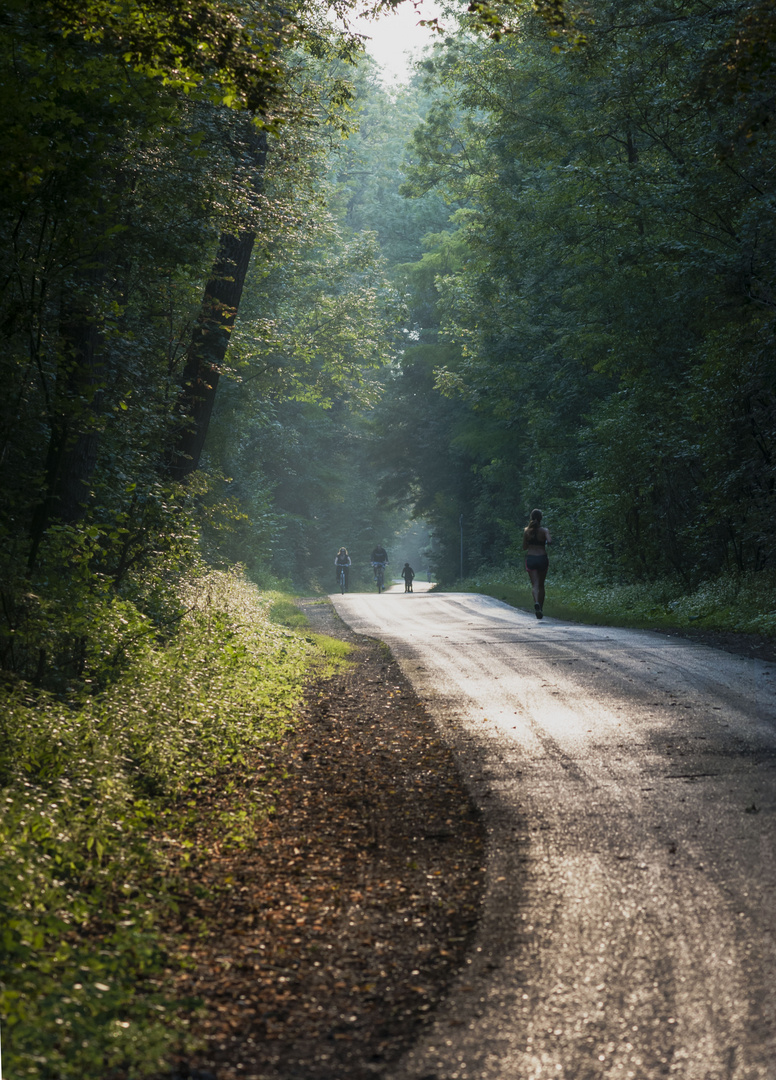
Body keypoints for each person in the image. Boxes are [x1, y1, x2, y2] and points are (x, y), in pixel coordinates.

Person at [523, 508, 551, 619]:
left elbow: (524, 547)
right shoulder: (544, 531)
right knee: (541, 585)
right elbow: (549, 541)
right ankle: (541, 608)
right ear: (541, 518)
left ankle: (536, 603)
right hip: (542, 558)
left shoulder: (527, 531)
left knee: (534, 585)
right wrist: (543, 541)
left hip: (531, 558)